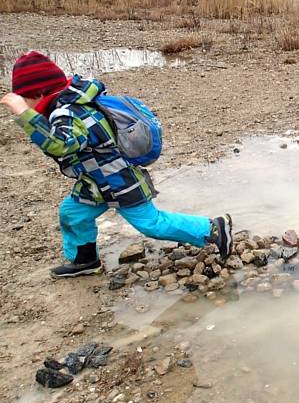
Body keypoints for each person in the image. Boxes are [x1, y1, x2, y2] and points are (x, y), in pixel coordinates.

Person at [0, 52, 233, 278]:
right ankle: (85, 260)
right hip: (95, 183)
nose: (25, 105)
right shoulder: (72, 104)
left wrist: (24, 116)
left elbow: (61, 145)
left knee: (151, 224)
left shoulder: (67, 113)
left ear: (39, 94)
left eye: (25, 100)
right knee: (73, 213)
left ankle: (212, 229)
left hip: (119, 181)